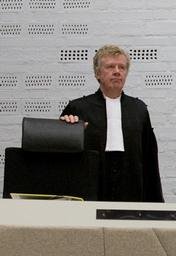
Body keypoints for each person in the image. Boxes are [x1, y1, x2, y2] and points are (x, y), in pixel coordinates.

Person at [60, 44, 163, 202]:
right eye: (110, 67)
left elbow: (150, 160)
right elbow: (62, 156)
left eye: (122, 67)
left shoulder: (139, 109)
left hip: (130, 185)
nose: (117, 71)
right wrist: (63, 129)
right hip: (91, 186)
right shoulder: (78, 108)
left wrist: (155, 203)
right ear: (97, 73)